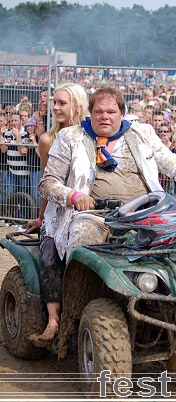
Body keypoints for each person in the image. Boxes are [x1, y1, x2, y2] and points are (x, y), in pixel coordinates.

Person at [38, 87, 176, 339]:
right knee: (82, 241)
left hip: (147, 214)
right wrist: (75, 196)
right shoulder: (71, 137)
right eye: (99, 111)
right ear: (89, 113)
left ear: (122, 114)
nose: (105, 117)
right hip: (94, 215)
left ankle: (175, 305)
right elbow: (48, 183)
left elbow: (174, 164)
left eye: (111, 112)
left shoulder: (141, 133)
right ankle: (82, 313)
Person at [27, 83, 89, 342]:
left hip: (86, 212)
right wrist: (42, 220)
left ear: (77, 105)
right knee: (50, 255)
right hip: (56, 212)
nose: (55, 107)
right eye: (54, 102)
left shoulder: (91, 137)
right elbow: (45, 184)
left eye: (62, 103)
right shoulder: (47, 140)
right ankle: (53, 322)